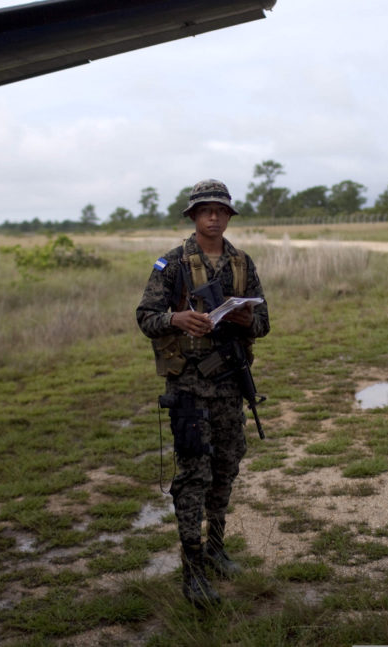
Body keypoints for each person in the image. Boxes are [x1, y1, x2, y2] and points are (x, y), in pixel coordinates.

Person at [136, 179, 270, 609]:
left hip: (231, 385)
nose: (213, 217)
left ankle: (216, 547)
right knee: (194, 476)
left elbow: (265, 321)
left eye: (220, 210)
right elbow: (146, 317)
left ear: (229, 216)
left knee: (226, 467)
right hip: (190, 387)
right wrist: (178, 320)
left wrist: (247, 320)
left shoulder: (242, 263)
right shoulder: (171, 263)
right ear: (193, 217)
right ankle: (192, 569)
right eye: (205, 210)